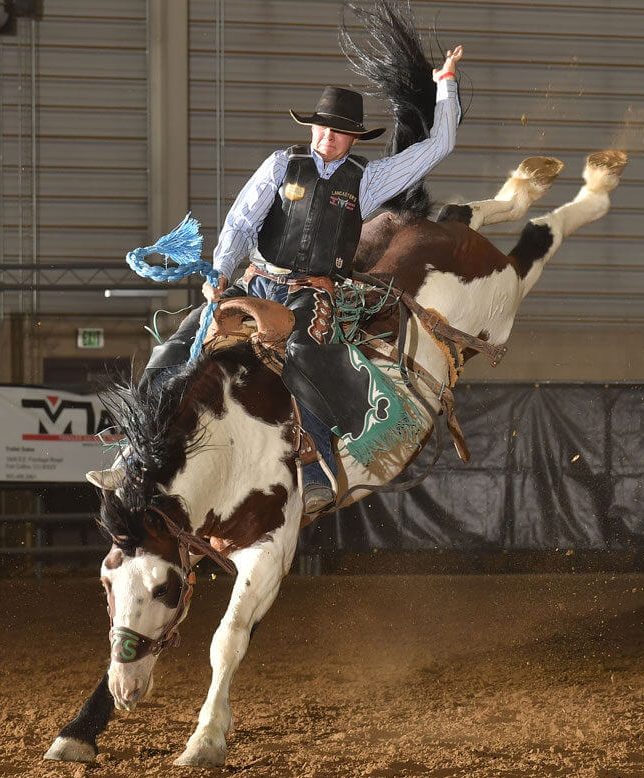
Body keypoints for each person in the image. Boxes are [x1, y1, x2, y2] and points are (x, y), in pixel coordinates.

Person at [146, 45, 464, 515]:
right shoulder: (282, 164)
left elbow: (438, 146)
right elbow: (242, 221)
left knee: (305, 354)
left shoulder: (366, 179)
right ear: (312, 127)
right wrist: (221, 271)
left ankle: (315, 467)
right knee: (185, 337)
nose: (327, 137)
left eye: (338, 131)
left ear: (353, 137)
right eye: (322, 127)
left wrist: (445, 85)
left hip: (311, 293)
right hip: (255, 281)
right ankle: (142, 437)